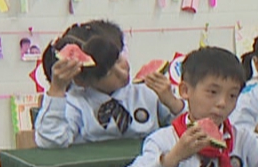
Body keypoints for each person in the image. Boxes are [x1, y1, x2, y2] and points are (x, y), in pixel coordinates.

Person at [119, 47, 258, 167]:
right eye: (212, 92)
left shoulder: (246, 142)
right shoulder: (163, 141)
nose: (222, 103)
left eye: (232, 95)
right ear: (185, 90)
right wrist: (171, 159)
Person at [35, 21, 181, 147]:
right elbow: (52, 141)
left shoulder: (148, 92)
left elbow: (187, 128)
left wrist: (174, 104)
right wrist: (57, 90)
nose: (123, 73)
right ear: (82, 80)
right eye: (108, 72)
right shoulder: (76, 104)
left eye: (119, 59)